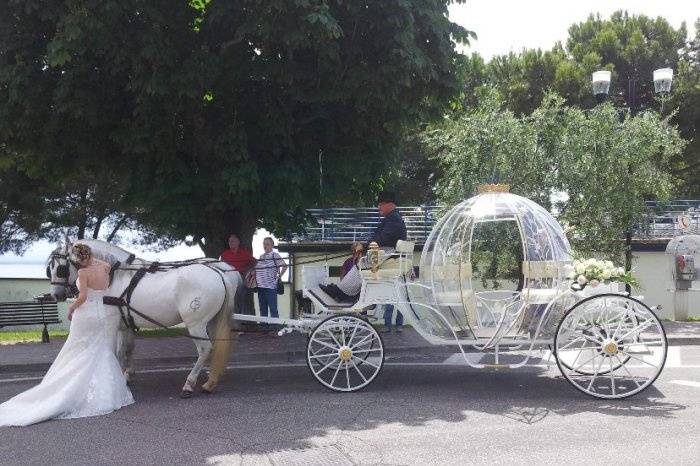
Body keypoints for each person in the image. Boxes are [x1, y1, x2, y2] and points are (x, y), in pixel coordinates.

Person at [0, 243, 133, 427]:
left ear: (79, 258)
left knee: (76, 349)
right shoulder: (104, 266)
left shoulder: (82, 274)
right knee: (98, 349)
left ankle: (68, 388)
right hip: (101, 313)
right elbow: (107, 271)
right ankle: (106, 392)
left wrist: (71, 308)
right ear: (91, 254)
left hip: (85, 314)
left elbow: (83, 297)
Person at [371, 191, 407, 333]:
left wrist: (366, 244)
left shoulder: (393, 220)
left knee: (392, 297)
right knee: (395, 297)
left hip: (389, 259)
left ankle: (391, 325)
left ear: (390, 205)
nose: (379, 207)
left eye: (381, 204)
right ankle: (395, 325)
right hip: (392, 259)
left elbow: (381, 239)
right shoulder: (393, 218)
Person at [220, 234, 257, 315]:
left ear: (238, 242)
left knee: (241, 298)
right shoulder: (224, 254)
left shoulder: (244, 253)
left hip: (241, 279)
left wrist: (252, 270)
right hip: (228, 281)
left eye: (233, 241)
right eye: (229, 241)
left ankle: (241, 319)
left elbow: (255, 262)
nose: (230, 243)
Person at [255, 237, 288, 322]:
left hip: (270, 287)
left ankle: (274, 329)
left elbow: (284, 266)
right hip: (260, 287)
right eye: (264, 244)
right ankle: (264, 329)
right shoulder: (261, 256)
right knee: (263, 309)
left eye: (267, 244)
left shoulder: (274, 255)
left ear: (272, 245)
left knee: (273, 309)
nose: (265, 246)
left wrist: (279, 276)